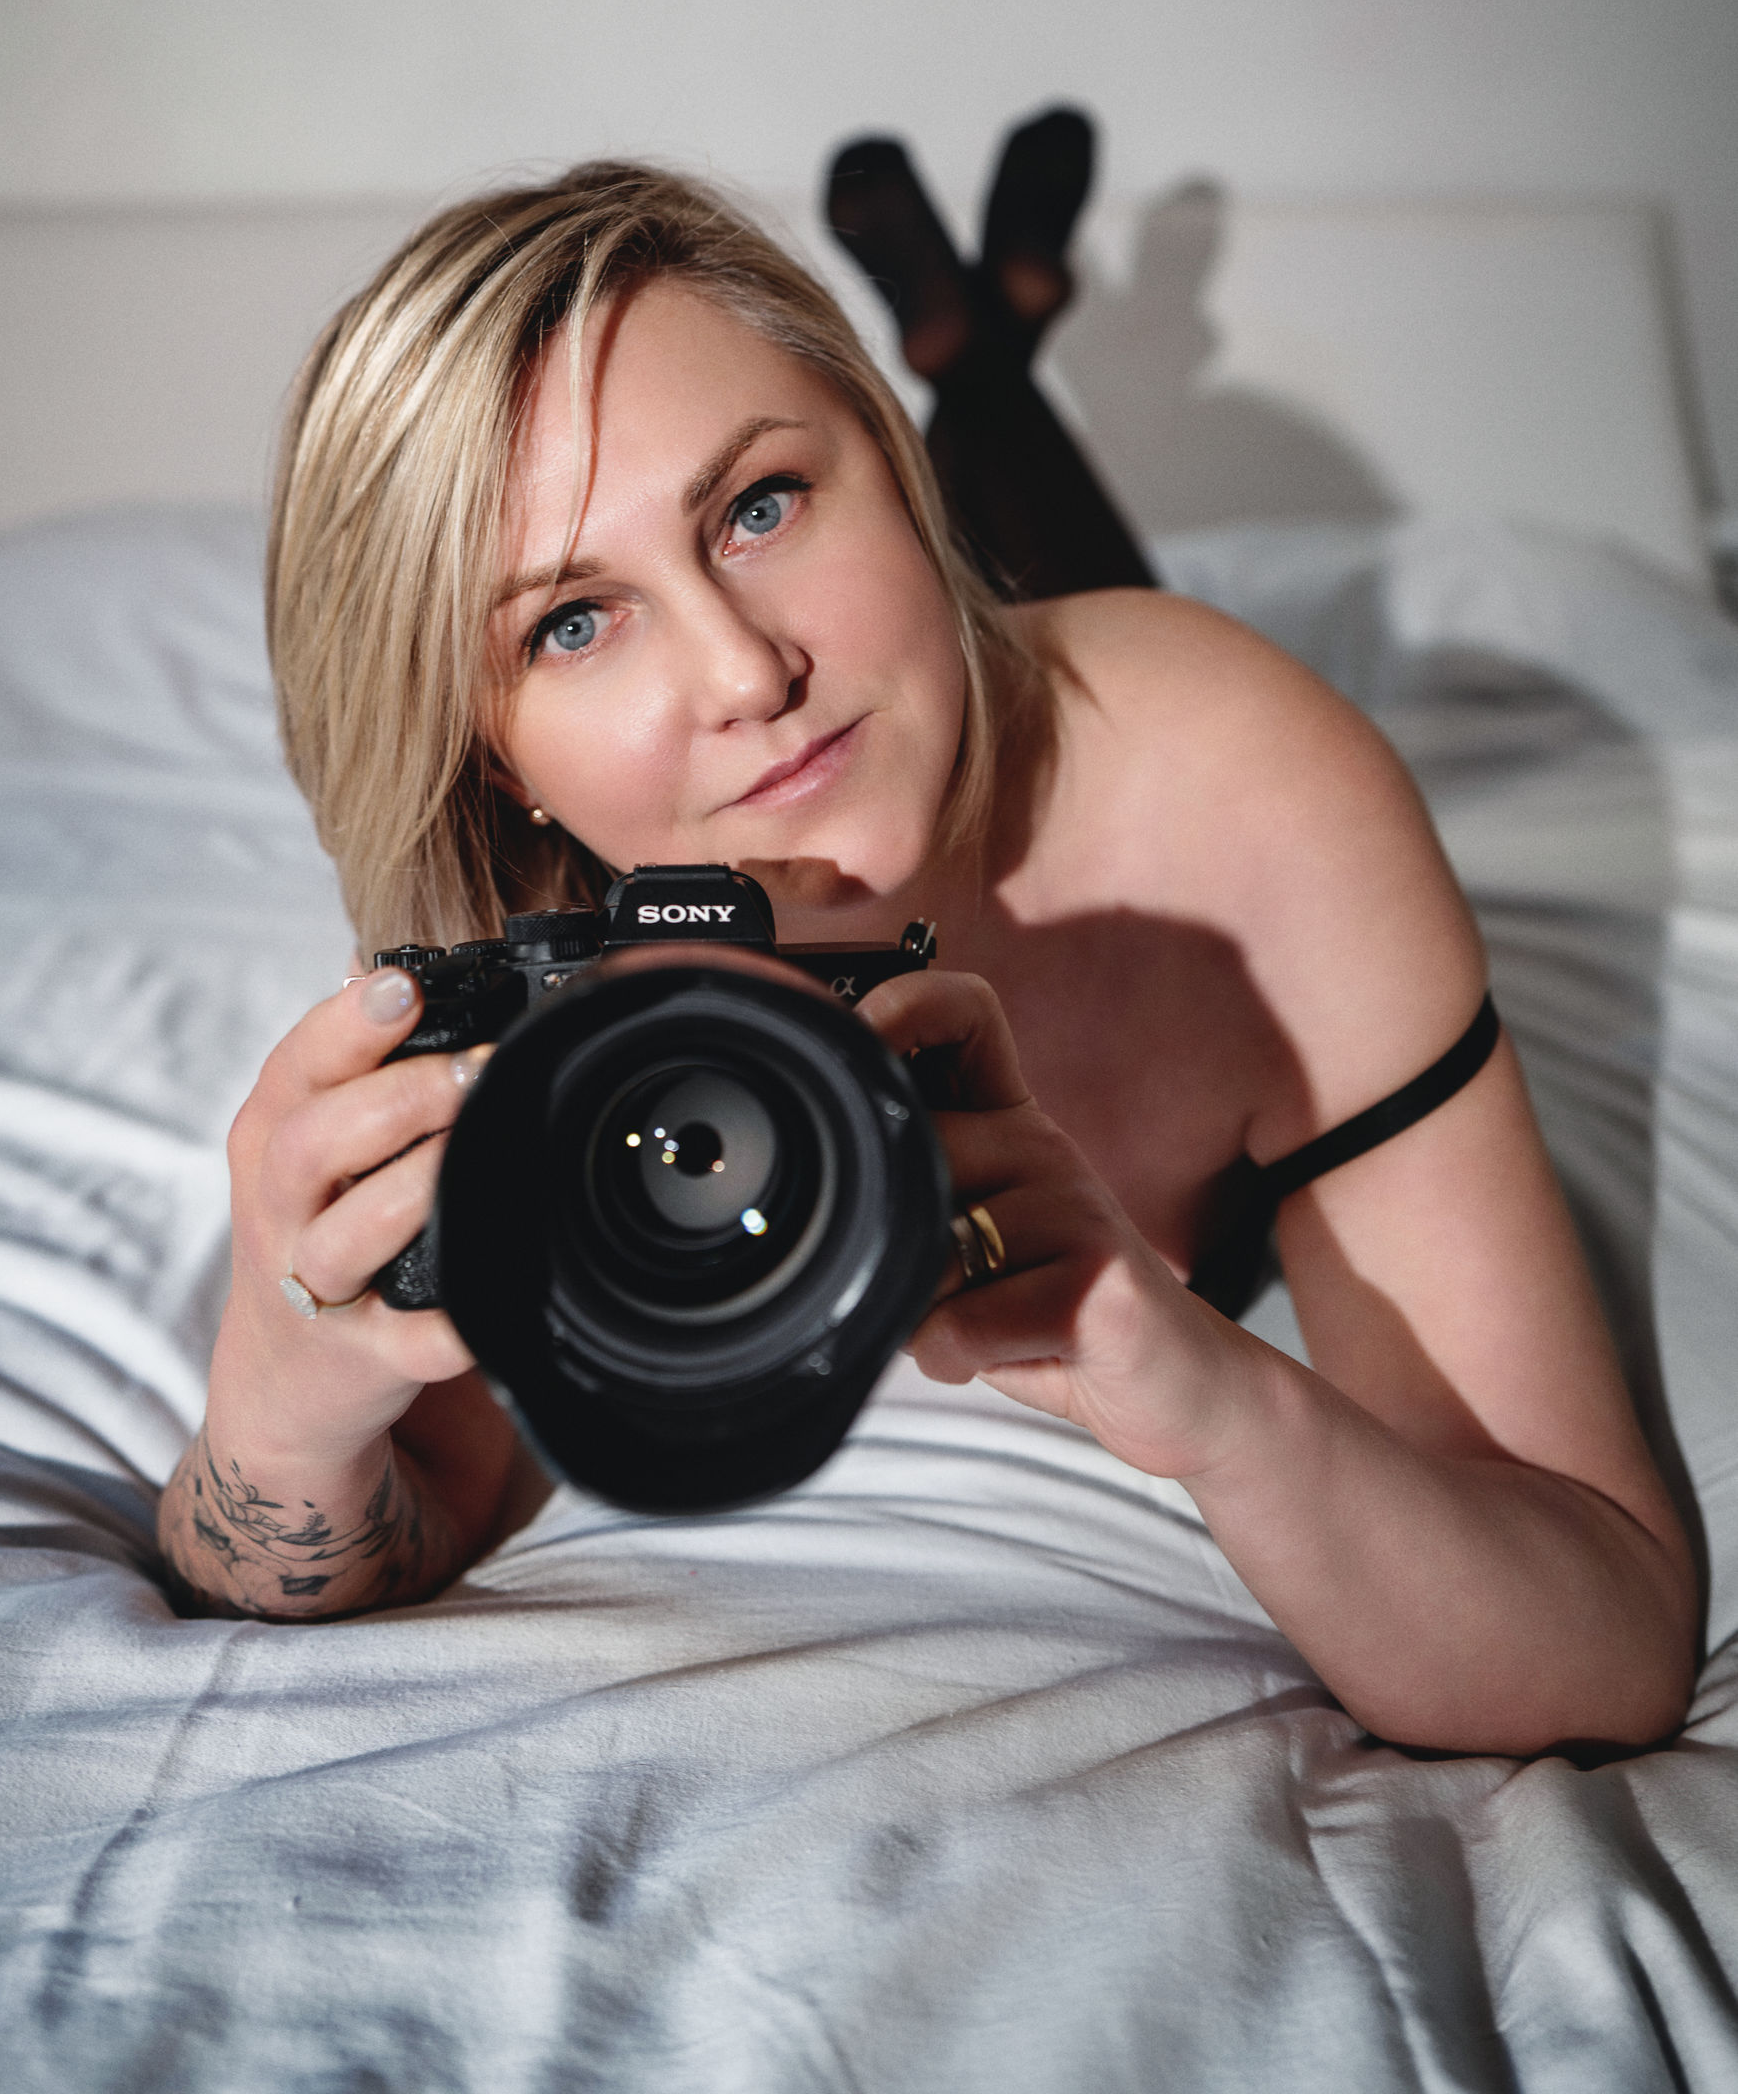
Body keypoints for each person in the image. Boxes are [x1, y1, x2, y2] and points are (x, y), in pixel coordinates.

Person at [157, 163, 1697, 1757]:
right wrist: (277, 1406)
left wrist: (1216, 1398)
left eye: (761, 506)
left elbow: (1609, 1641)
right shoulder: (528, 989)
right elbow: (397, 1515)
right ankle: (980, 343)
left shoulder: (1245, 797)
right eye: (572, 623)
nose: (748, 674)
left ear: (890, 469)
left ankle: (976, 365)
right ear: (495, 759)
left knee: (1065, 600)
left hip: (1094, 711)